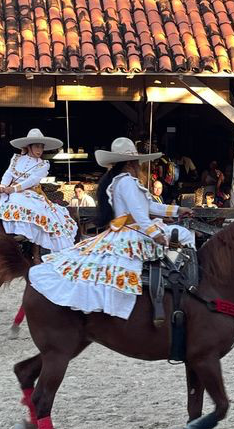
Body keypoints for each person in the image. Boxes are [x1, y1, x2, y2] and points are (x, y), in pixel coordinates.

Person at [30, 137, 195, 319]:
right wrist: (155, 234)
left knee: (179, 235)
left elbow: (150, 206)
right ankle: (178, 279)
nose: (140, 165)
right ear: (131, 163)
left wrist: (178, 210)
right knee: (184, 234)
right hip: (132, 230)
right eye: (138, 162)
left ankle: (170, 275)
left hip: (128, 229)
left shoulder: (121, 181)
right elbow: (140, 214)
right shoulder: (127, 182)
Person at [0, 129, 78, 254]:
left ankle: (25, 235)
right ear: (29, 147)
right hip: (11, 191)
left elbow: (32, 180)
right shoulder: (16, 159)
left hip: (30, 192)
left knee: (25, 202)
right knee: (4, 200)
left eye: (41, 147)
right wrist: (3, 185)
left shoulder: (43, 164)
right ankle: (10, 232)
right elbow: (8, 174)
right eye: (37, 146)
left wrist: (13, 189)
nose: (40, 149)